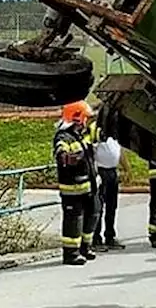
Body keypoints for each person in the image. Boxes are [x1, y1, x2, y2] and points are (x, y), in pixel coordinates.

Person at [54, 101, 98, 265]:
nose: (87, 121)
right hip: (73, 189)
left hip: (89, 187)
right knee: (74, 220)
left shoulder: (82, 135)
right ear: (77, 118)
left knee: (93, 214)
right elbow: (60, 150)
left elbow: (98, 135)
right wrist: (66, 157)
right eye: (85, 117)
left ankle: (85, 247)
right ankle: (71, 253)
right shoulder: (63, 137)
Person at [92, 127, 124, 250]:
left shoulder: (115, 132)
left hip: (112, 171)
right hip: (101, 171)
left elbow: (120, 151)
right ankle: (96, 238)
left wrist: (126, 168)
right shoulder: (96, 130)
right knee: (99, 207)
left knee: (112, 206)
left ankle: (110, 236)